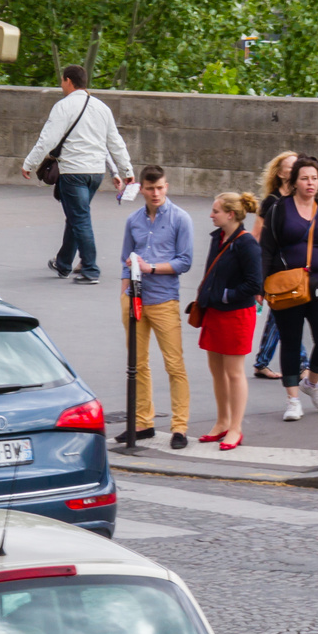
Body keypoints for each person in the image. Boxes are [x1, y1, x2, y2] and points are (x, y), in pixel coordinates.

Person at [21, 63, 135, 284]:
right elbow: (114, 143)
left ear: (68, 80)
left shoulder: (63, 107)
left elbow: (48, 140)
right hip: (95, 173)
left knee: (80, 219)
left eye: (62, 81)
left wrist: (30, 163)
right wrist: (126, 170)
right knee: (76, 216)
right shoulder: (102, 108)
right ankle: (63, 263)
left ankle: (91, 269)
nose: (61, 85)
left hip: (73, 171)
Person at [259, 156, 318, 420]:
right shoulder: (279, 209)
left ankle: (312, 383)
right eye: (305, 178)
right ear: (294, 182)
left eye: (315, 178)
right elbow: (266, 249)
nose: (311, 183)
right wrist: (261, 286)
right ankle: (293, 400)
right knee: (292, 341)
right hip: (287, 286)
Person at [118, 165, 193, 449]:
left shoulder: (180, 218)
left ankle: (179, 427)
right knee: (137, 364)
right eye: (150, 189)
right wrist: (124, 293)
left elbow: (184, 262)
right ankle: (143, 422)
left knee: (174, 364)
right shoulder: (134, 220)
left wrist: (150, 268)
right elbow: (125, 258)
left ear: (167, 186)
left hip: (163, 299)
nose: (155, 193)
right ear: (142, 189)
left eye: (160, 187)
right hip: (135, 299)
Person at [195, 192, 263, 451]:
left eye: (216, 211)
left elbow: (254, 284)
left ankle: (235, 427)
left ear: (230, 214)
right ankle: (222, 421)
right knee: (216, 371)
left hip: (236, 314)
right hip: (215, 311)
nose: (211, 215)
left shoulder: (247, 244)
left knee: (234, 372)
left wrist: (225, 295)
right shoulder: (219, 237)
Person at [250, 151, 302, 381]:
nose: (295, 169)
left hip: (296, 266)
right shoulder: (271, 202)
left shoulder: (300, 198)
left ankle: (262, 361)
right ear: (281, 173)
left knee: (282, 315)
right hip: (276, 266)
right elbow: (256, 235)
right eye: (290, 167)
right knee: (285, 313)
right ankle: (304, 362)